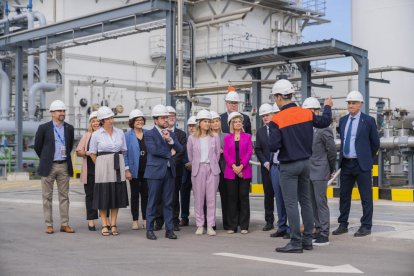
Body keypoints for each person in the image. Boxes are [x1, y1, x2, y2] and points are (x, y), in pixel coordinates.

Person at [268, 79, 333, 253]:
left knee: (291, 203)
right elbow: (325, 121)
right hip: (306, 164)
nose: (275, 100)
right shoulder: (306, 113)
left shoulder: (277, 119)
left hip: (289, 166)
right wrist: (327, 106)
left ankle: (295, 242)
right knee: (306, 201)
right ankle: (307, 241)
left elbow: (273, 146)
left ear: (281, 97)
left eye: (275, 97)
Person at [332, 91, 380, 237]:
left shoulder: (369, 120)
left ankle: (366, 226)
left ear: (360, 104)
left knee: (366, 197)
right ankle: (343, 224)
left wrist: (365, 157)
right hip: (346, 163)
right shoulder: (343, 120)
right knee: (344, 196)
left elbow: (375, 143)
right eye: (349, 103)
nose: (351, 105)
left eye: (353, 103)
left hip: (361, 164)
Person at [34, 100, 75, 234]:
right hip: (48, 166)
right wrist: (46, 158)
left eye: (63, 111)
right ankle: (49, 225)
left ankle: (64, 224)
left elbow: (69, 147)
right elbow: (37, 147)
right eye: (59, 111)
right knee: (47, 197)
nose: (62, 113)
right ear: (52, 113)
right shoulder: (43, 128)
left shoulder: (69, 128)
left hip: (63, 165)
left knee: (64, 197)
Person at [89, 106, 129, 236]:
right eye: (107, 119)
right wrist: (100, 164)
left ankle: (113, 223)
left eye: (112, 117)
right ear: (101, 120)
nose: (111, 120)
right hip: (103, 166)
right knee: (103, 194)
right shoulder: (96, 135)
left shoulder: (120, 132)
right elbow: (92, 153)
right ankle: (104, 224)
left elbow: (123, 150)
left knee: (116, 194)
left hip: (117, 163)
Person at [145, 105, 183, 240]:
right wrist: (169, 153)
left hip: (169, 171)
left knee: (168, 202)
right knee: (153, 202)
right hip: (155, 172)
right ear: (155, 120)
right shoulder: (149, 134)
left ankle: (170, 230)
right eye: (162, 118)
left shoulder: (170, 134)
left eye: (166, 117)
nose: (165, 120)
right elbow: (153, 150)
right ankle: (149, 229)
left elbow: (180, 149)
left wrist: (170, 140)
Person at [302, 97, 336, 246]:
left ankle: (324, 232)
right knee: (311, 202)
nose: (308, 114)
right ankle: (317, 228)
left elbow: (332, 151)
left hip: (321, 170)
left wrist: (330, 168)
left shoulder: (324, 129)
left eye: (311, 111)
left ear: (317, 111)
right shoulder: (304, 128)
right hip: (307, 171)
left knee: (321, 201)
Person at [187, 110, 221, 236]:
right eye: (205, 121)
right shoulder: (192, 138)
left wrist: (211, 164)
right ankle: (200, 225)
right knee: (199, 199)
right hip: (198, 169)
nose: (208, 124)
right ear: (199, 123)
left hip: (212, 169)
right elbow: (190, 155)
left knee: (211, 199)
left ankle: (210, 225)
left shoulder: (215, 137)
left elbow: (217, 154)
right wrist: (198, 164)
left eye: (209, 121)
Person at [155, 106, 187, 232]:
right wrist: (169, 156)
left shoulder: (181, 134)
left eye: (173, 115)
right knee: (159, 196)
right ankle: (159, 220)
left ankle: (174, 221)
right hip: (160, 169)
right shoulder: (156, 133)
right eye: (168, 115)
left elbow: (181, 151)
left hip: (175, 169)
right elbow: (156, 150)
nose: (171, 117)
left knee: (174, 197)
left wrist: (171, 161)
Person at [223, 112, 253, 234]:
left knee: (244, 197)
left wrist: (241, 166)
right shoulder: (227, 138)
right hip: (231, 171)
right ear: (231, 124)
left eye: (239, 121)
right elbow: (226, 153)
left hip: (244, 170)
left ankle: (244, 225)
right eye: (235, 121)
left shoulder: (247, 136)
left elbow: (249, 152)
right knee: (232, 198)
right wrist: (234, 166)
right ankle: (232, 225)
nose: (238, 123)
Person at [268, 103, 290, 239]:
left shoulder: (288, 128)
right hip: (275, 167)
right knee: (279, 199)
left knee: (290, 199)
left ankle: (292, 228)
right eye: (274, 113)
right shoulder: (273, 128)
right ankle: (282, 226)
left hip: (286, 166)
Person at [76, 111, 100, 231]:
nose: (96, 123)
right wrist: (87, 153)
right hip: (90, 171)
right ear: (90, 123)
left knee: (104, 196)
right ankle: (91, 220)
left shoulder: (105, 134)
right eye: (93, 121)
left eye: (97, 120)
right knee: (90, 196)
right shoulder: (87, 136)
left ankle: (106, 219)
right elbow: (78, 151)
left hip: (104, 171)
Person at [124, 109, 148, 230]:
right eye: (137, 120)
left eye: (141, 120)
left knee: (146, 196)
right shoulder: (127, 136)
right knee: (134, 196)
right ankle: (135, 220)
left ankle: (145, 219)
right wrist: (127, 170)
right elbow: (125, 153)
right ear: (132, 122)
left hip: (147, 170)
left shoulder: (148, 133)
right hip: (134, 170)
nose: (140, 122)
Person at [255, 103, 277, 231]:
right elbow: (258, 149)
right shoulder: (260, 132)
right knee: (268, 196)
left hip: (279, 167)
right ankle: (269, 221)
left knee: (281, 196)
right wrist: (265, 162)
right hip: (266, 169)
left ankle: (283, 222)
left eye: (267, 115)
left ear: (273, 114)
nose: (265, 117)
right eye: (263, 116)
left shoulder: (279, 128)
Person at [210, 111, 229, 230]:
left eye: (217, 121)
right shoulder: (207, 137)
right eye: (213, 122)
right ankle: (211, 223)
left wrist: (224, 152)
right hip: (211, 169)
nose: (215, 124)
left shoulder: (226, 136)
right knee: (211, 197)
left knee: (226, 197)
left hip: (225, 168)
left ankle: (228, 223)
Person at [179, 116, 197, 226]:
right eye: (189, 126)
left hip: (198, 170)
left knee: (199, 195)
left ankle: (201, 217)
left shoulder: (201, 138)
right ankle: (184, 217)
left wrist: (193, 164)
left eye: (193, 126)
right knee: (184, 195)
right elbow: (181, 152)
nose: (191, 128)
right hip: (185, 170)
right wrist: (187, 163)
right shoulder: (184, 138)